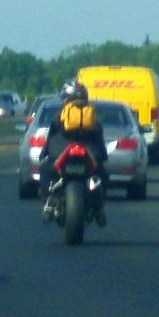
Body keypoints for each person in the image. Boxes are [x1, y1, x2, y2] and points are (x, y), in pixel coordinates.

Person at [40, 79, 109, 226]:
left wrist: (44, 154)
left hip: (61, 152)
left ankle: (48, 204)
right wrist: (102, 157)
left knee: (45, 169)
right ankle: (99, 208)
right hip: (89, 152)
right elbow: (100, 141)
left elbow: (50, 139)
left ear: (65, 98)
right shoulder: (93, 119)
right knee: (102, 174)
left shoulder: (59, 117)